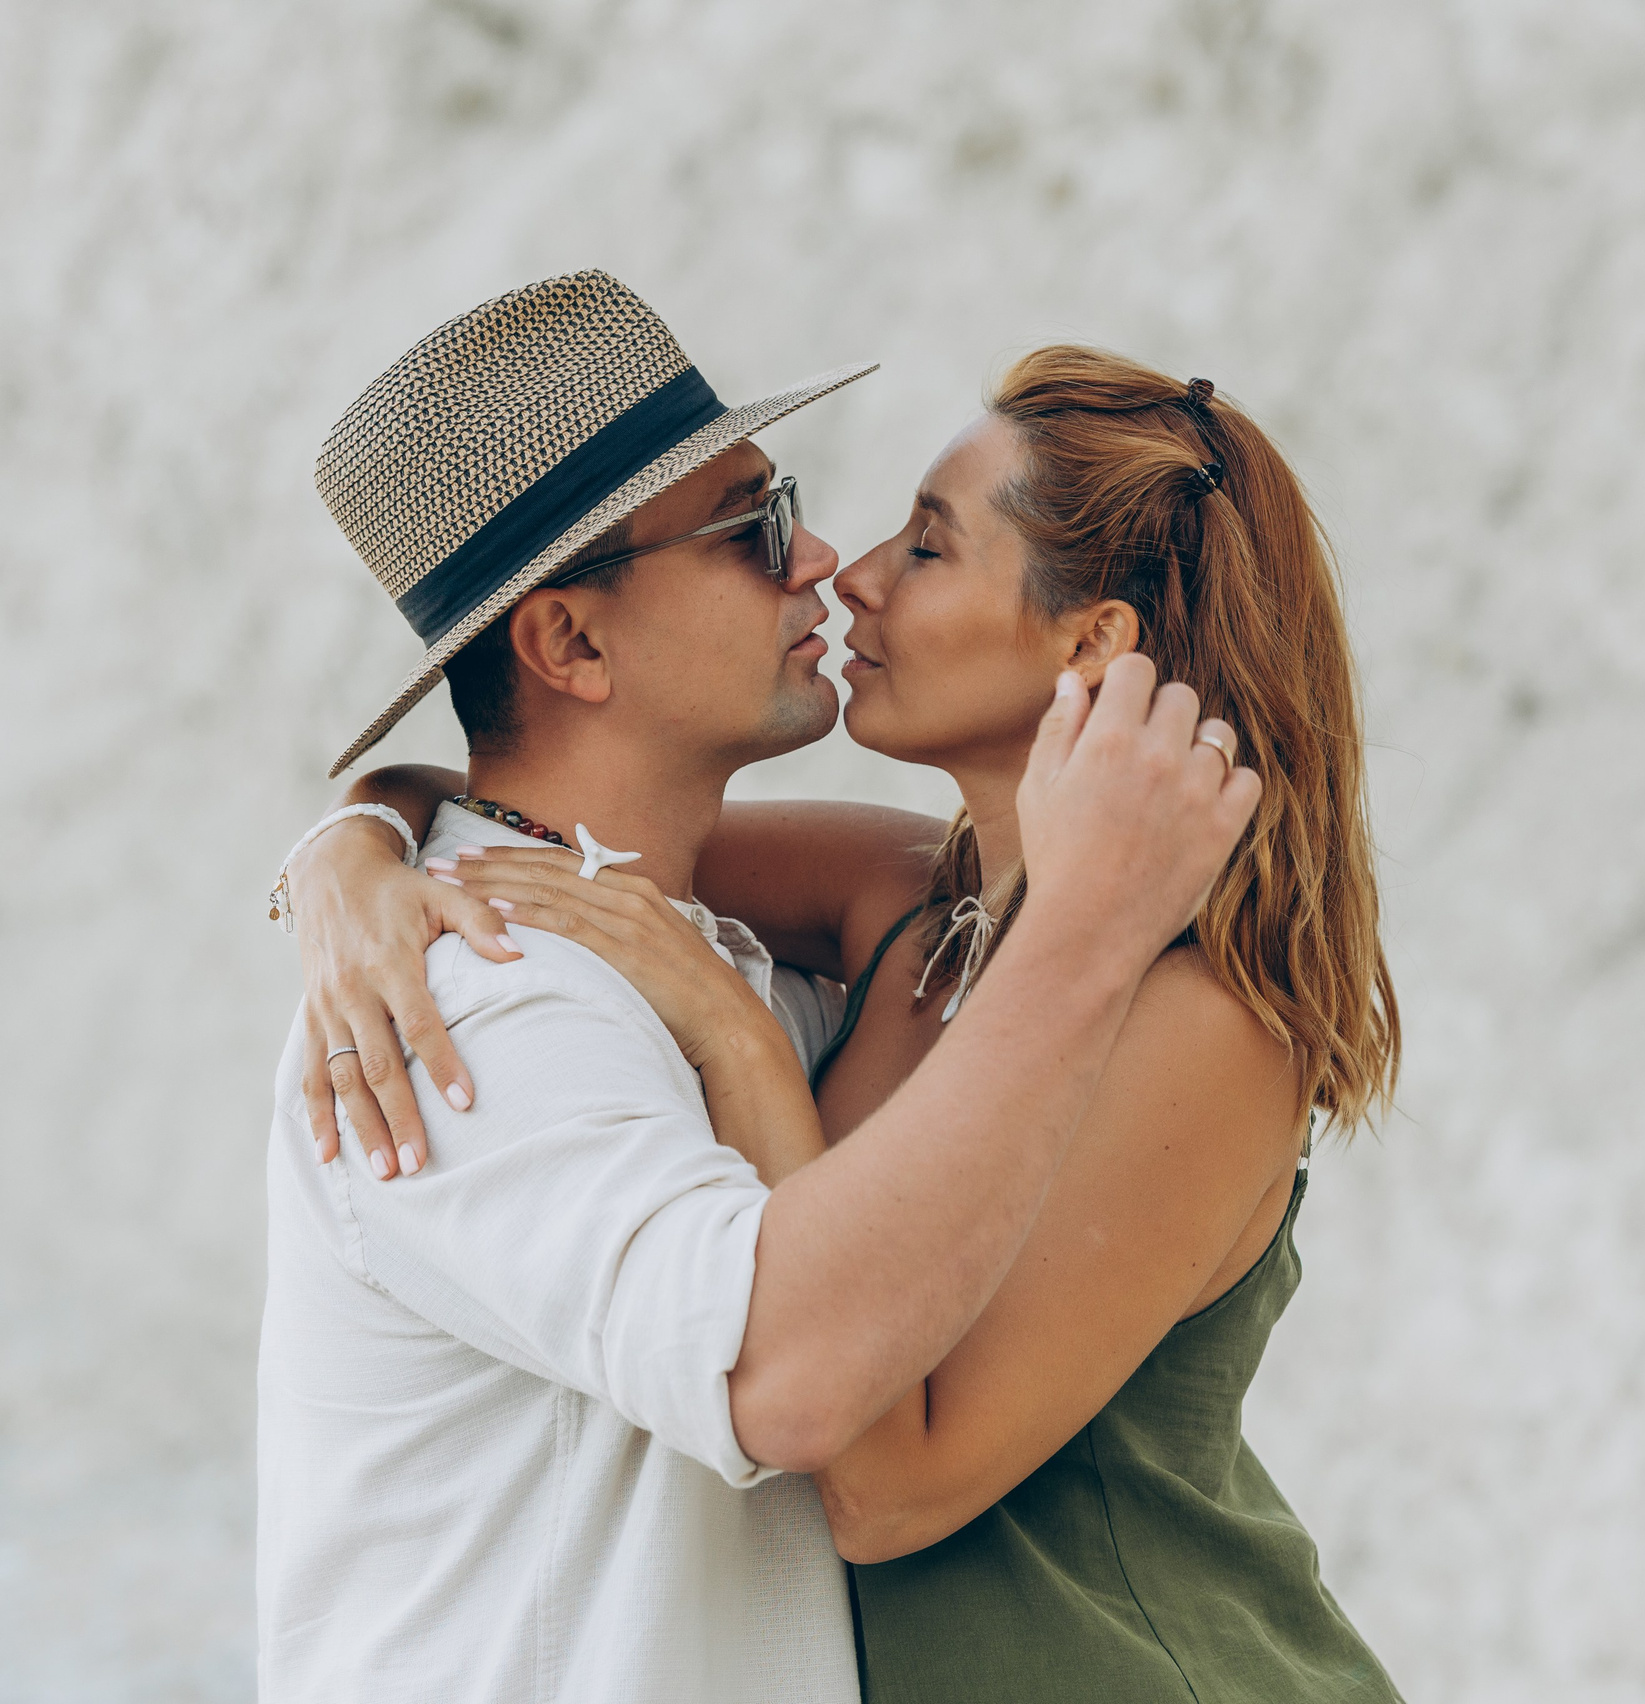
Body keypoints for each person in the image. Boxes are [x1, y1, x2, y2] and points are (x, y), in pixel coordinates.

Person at [294, 345, 1406, 1699]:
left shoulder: (1196, 1019)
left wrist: (744, 1044)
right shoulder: (907, 905)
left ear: (1091, 643)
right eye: (756, 527)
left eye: (926, 549)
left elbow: (883, 1491)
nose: (845, 569)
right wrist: (348, 855)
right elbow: (551, 839)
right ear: (572, 639)